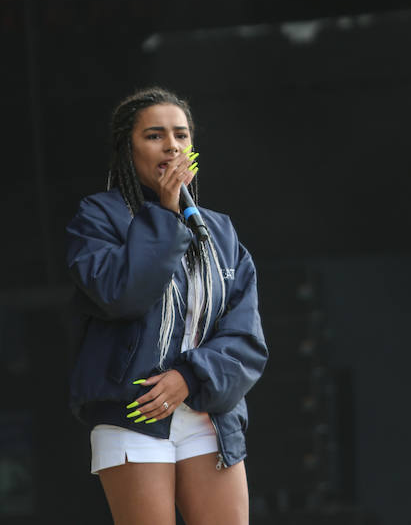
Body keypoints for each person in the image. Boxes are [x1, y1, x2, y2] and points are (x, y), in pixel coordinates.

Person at [66, 86, 268, 525]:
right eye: (155, 135)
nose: (172, 145)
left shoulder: (220, 232)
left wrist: (189, 377)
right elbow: (123, 295)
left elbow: (245, 336)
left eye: (181, 135)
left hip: (207, 410)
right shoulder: (98, 218)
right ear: (128, 148)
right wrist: (165, 210)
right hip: (133, 411)